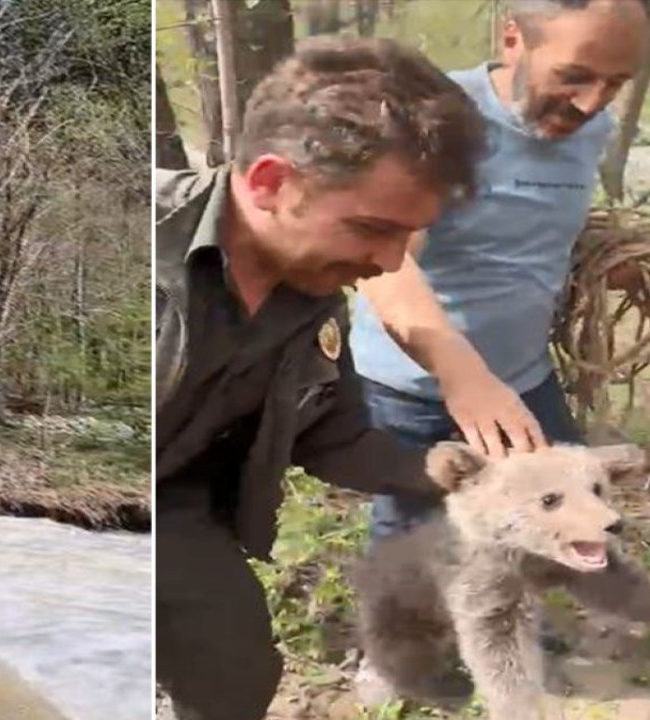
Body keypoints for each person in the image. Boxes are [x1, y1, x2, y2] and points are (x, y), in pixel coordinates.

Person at [154, 36, 488, 720]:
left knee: (235, 671)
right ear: (273, 182)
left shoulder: (312, 297)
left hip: (178, 511)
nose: (391, 264)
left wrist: (441, 469)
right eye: (373, 228)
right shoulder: (145, 245)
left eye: (409, 238)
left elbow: (332, 437)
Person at [350, 0, 650, 545]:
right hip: (413, 387)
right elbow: (382, 263)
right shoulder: (435, 121)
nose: (592, 102)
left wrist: (616, 266)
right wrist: (461, 375)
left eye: (615, 83)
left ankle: (542, 630)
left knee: (561, 526)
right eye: (574, 77)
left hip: (522, 377)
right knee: (414, 547)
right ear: (513, 38)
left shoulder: (591, 128)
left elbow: (528, 224)